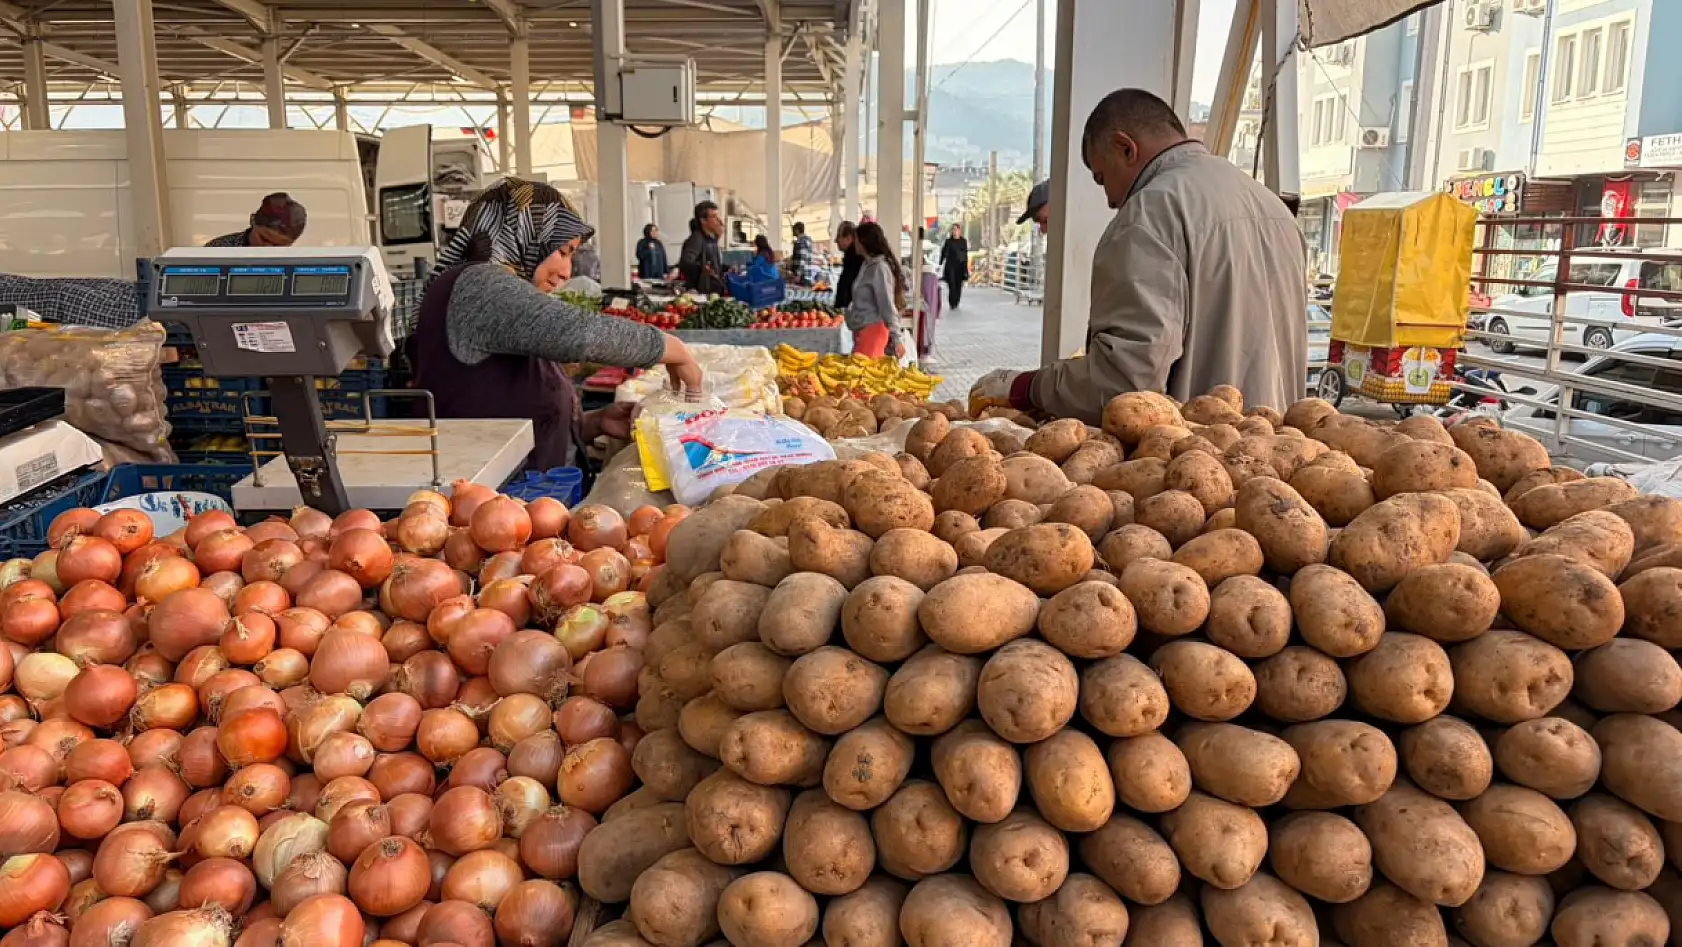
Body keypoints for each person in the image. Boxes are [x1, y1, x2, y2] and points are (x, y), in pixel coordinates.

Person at [971, 88, 1306, 422]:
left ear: (1125, 148)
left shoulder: (1149, 214)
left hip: (1195, 446)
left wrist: (1025, 387)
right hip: (1282, 443)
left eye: (1102, 178)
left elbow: (1124, 385)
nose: (1110, 200)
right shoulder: (1272, 206)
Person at [414, 177, 702, 473]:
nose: (566, 272)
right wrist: (670, 348)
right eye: (562, 251)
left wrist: (592, 423)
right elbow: (580, 333)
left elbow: (512, 403)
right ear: (523, 233)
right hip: (487, 492)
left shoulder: (491, 291)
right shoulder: (480, 286)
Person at [846, 222, 906, 359]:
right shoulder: (866, 265)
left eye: (856, 239)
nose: (854, 243)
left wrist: (897, 337)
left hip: (873, 332)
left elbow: (887, 305)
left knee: (864, 370)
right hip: (862, 330)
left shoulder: (879, 269)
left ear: (863, 241)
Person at [206, 193, 307, 247]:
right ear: (253, 222)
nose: (268, 249)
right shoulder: (217, 249)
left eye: (279, 246)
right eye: (265, 239)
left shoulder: (298, 262)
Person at [679, 200, 728, 295]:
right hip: (702, 294)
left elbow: (714, 264)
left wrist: (727, 268)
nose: (719, 220)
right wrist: (703, 269)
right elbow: (685, 263)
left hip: (713, 291)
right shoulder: (697, 238)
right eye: (714, 217)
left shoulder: (711, 239)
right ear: (703, 221)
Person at [833, 221, 863, 310]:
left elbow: (848, 288)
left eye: (839, 236)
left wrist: (841, 307)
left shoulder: (854, 259)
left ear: (849, 238)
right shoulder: (851, 258)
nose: (836, 240)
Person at [939, 224, 970, 310]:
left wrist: (966, 268)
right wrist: (940, 262)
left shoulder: (963, 241)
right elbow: (943, 252)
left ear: (959, 231)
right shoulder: (948, 241)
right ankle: (952, 302)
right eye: (953, 229)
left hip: (960, 266)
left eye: (956, 229)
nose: (954, 231)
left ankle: (956, 301)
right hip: (950, 266)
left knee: (958, 285)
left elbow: (965, 254)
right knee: (951, 284)